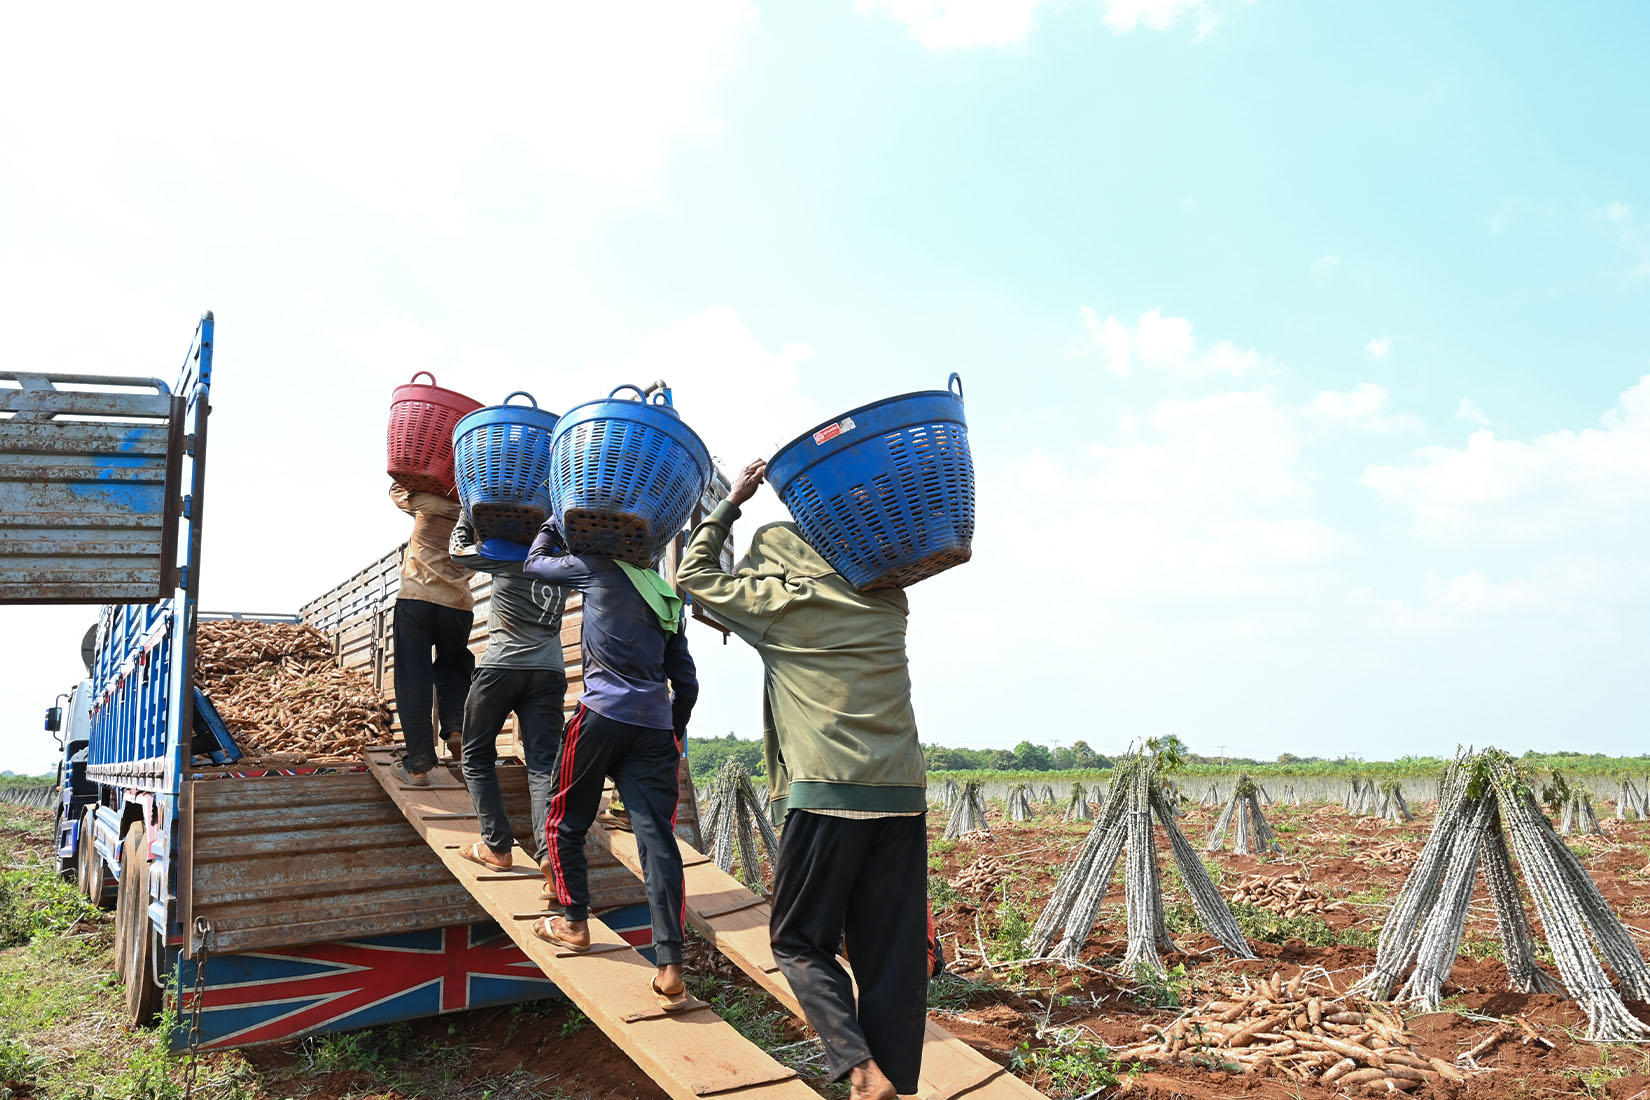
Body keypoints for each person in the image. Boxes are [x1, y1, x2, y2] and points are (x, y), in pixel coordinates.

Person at [677, 459, 926, 1100]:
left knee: (798, 939)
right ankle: (896, 1081)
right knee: (891, 955)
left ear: (779, 566)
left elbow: (693, 577)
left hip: (828, 793)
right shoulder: (886, 600)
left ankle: (860, 1069)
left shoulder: (782, 606)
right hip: (902, 794)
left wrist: (731, 503)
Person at [522, 523, 698, 1011]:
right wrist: (671, 729)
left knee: (564, 819)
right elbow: (686, 682)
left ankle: (574, 922)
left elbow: (534, 564)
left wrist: (549, 529)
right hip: (654, 727)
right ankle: (670, 969)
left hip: (601, 717)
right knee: (658, 841)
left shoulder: (597, 567)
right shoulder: (666, 596)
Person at [448, 521, 568, 898]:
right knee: (542, 765)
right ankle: (550, 857)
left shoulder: (504, 552)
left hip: (501, 668)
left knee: (476, 755)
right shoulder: (565, 562)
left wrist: (467, 518)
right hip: (549, 672)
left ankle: (497, 846)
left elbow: (457, 550)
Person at [387, 484, 475, 787]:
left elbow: (396, 489)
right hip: (458, 604)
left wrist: (418, 477)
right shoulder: (477, 509)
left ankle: (419, 764)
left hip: (417, 599)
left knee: (414, 678)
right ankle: (456, 729)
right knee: (455, 666)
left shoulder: (426, 500)